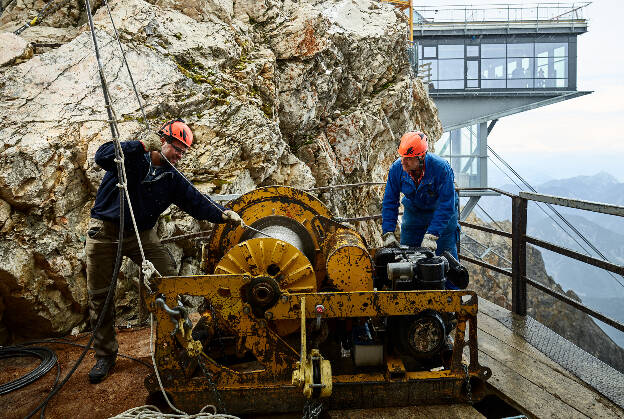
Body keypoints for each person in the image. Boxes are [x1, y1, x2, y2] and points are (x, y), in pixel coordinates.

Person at [85, 119, 243, 383]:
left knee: (169, 281)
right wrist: (141, 145)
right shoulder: (133, 159)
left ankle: (180, 340)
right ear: (163, 142)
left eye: (183, 152)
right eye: (177, 149)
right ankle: (105, 355)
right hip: (106, 230)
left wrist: (224, 215)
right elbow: (102, 156)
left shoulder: (171, 178)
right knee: (100, 295)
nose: (180, 156)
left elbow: (196, 201)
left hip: (142, 234)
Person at [381, 131, 460, 283]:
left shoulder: (441, 168)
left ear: (421, 157)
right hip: (415, 215)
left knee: (446, 261)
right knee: (408, 257)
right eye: (402, 157)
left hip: (442, 217)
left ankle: (450, 298)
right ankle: (416, 295)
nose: (404, 163)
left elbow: (446, 204)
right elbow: (390, 201)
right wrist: (388, 232)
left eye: (409, 159)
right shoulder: (397, 169)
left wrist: (433, 235)